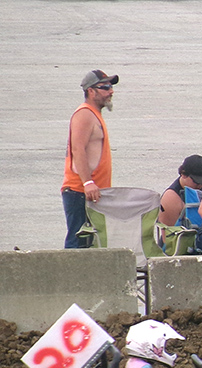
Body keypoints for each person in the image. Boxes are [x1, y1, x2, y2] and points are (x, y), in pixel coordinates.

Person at [60, 69, 118, 249]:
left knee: (89, 244)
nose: (111, 91)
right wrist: (87, 183)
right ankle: (68, 277)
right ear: (91, 91)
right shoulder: (84, 114)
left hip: (91, 193)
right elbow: (78, 149)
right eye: (105, 87)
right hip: (80, 191)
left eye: (111, 87)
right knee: (78, 243)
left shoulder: (94, 114)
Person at [159, 154, 202, 226]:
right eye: (196, 181)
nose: (200, 185)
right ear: (183, 174)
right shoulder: (171, 198)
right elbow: (169, 233)